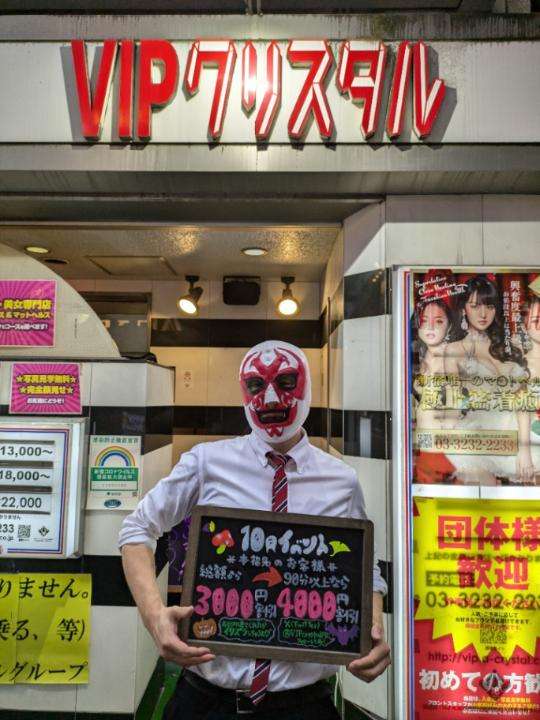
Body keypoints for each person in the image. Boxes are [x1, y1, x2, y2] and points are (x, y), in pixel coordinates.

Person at [119, 340, 390, 720]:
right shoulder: (207, 463)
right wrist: (153, 617)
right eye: (256, 385)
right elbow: (137, 530)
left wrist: (372, 627)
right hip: (206, 700)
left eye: (286, 381)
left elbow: (364, 568)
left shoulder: (341, 480)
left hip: (302, 705)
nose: (271, 397)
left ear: (307, 386)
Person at [446, 274, 533, 484]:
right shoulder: (454, 350)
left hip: (518, 431)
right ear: (463, 309)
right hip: (478, 434)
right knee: (485, 493)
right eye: (475, 306)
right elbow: (453, 404)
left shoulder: (510, 346)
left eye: (489, 306)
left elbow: (523, 401)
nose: (483, 313)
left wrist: (525, 450)